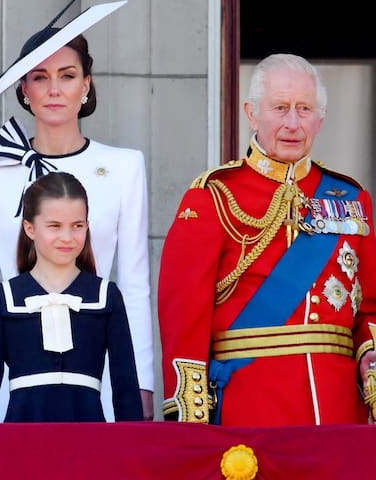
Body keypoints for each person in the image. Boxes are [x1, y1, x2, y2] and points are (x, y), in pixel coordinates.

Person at [159, 53, 376, 426]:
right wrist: (191, 423)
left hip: (338, 413)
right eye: (280, 108)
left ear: (320, 119)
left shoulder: (352, 199)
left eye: (304, 109)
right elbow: (184, 318)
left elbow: (369, 310)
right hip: (250, 410)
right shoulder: (212, 196)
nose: (293, 123)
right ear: (251, 113)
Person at [0, 15, 154, 421]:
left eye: (66, 76)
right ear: (24, 89)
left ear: (86, 84)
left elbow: (134, 287)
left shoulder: (123, 167)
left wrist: (141, 384)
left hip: (97, 380)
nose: (54, 90)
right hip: (15, 380)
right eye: (40, 77)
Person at [0, 172, 142, 422]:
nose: (67, 237)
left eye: (77, 226)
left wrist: (132, 453)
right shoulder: (5, 297)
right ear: (30, 228)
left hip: (89, 444)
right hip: (22, 443)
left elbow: (127, 391)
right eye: (55, 226)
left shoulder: (106, 296)